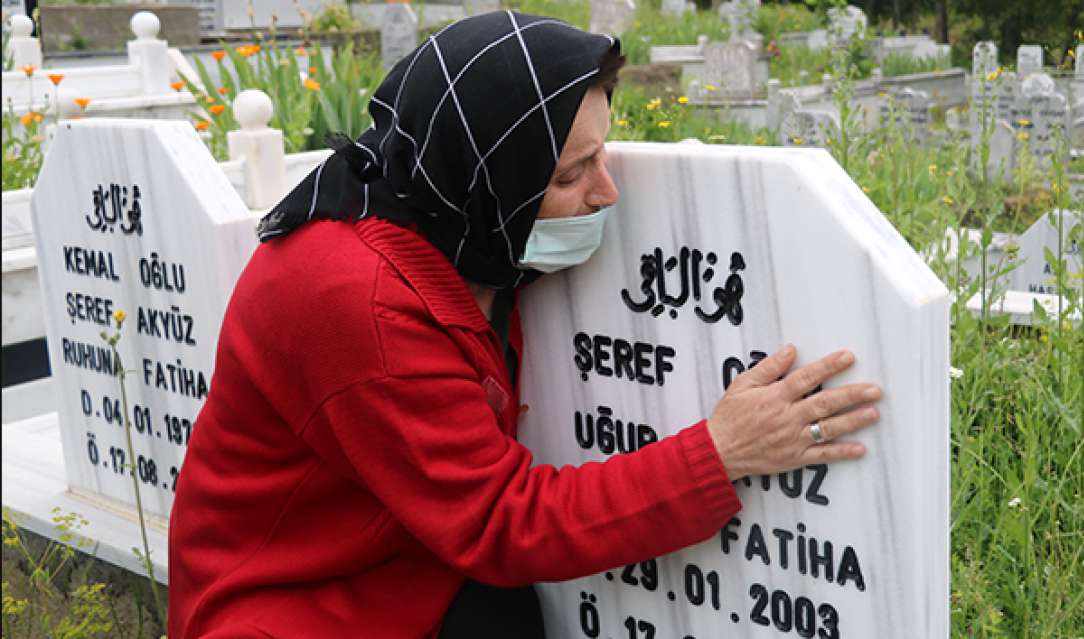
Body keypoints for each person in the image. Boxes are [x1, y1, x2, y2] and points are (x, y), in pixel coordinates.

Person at [167, 10, 882, 638]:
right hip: (300, 607)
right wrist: (719, 452)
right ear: (488, 174)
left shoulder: (449, 216)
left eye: (603, 155)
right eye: (571, 176)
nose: (607, 192)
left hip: (402, 567)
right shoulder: (357, 296)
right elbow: (499, 519)